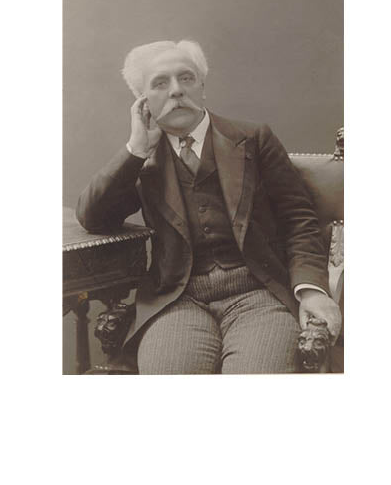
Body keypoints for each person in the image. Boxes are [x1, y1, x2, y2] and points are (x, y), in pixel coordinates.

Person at [76, 40, 342, 374]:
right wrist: (136, 150)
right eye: (160, 83)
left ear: (202, 87)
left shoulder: (253, 139)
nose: (176, 90)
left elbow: (298, 220)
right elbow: (94, 217)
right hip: (177, 300)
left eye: (186, 78)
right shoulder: (144, 159)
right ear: (142, 101)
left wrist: (311, 290)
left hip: (260, 294)